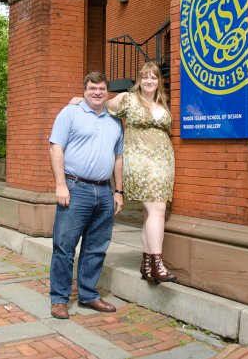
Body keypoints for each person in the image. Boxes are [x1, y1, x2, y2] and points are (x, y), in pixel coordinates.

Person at [70, 61, 177, 285]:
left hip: (164, 161)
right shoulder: (128, 99)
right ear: (139, 80)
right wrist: (82, 101)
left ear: (159, 81)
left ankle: (147, 265)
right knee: (156, 208)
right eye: (145, 77)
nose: (149, 81)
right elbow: (101, 104)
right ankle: (157, 263)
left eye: (154, 77)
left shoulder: (163, 104)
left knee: (152, 212)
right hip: (139, 159)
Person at [48, 71, 125, 320]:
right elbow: (55, 147)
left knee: (96, 247)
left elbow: (118, 158)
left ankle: (89, 295)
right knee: (64, 246)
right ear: (84, 90)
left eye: (101, 88)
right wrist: (61, 184)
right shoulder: (70, 113)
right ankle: (59, 299)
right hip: (75, 188)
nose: (97, 92)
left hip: (104, 192)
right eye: (92, 88)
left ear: (107, 92)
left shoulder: (115, 121)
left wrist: (118, 191)